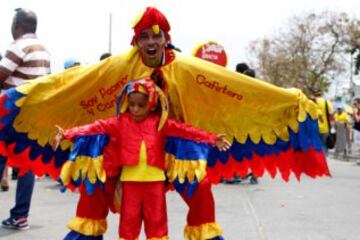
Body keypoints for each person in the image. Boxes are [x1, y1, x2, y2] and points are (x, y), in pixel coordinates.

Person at [0, 6, 330, 240]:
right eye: (143, 36)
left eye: (156, 36)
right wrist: (26, 97)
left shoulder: (185, 67)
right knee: (94, 191)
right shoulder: (117, 68)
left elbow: (235, 87)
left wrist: (285, 99)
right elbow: (73, 83)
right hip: (123, 145)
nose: (151, 42)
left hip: (173, 145)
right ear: (136, 41)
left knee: (200, 192)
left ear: (165, 38)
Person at [53, 78, 230, 239]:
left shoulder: (162, 123)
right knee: (128, 226)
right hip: (130, 184)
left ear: (151, 105)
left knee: (157, 225)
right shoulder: (119, 122)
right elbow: (94, 128)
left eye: (141, 105)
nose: (135, 109)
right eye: (132, 104)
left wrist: (212, 138)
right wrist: (68, 134)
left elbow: (187, 132)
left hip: (155, 184)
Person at [0, 8, 50, 230]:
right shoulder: (44, 50)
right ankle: (21, 216)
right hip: (32, 114)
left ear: (18, 25)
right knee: (25, 162)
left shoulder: (18, 46)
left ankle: (19, 215)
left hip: (11, 111)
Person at [309, 87, 334, 156]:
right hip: (325, 128)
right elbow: (331, 115)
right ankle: (324, 162)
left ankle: (316, 162)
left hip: (313, 128)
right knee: (324, 145)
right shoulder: (326, 102)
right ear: (321, 93)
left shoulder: (310, 102)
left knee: (314, 146)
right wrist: (332, 126)